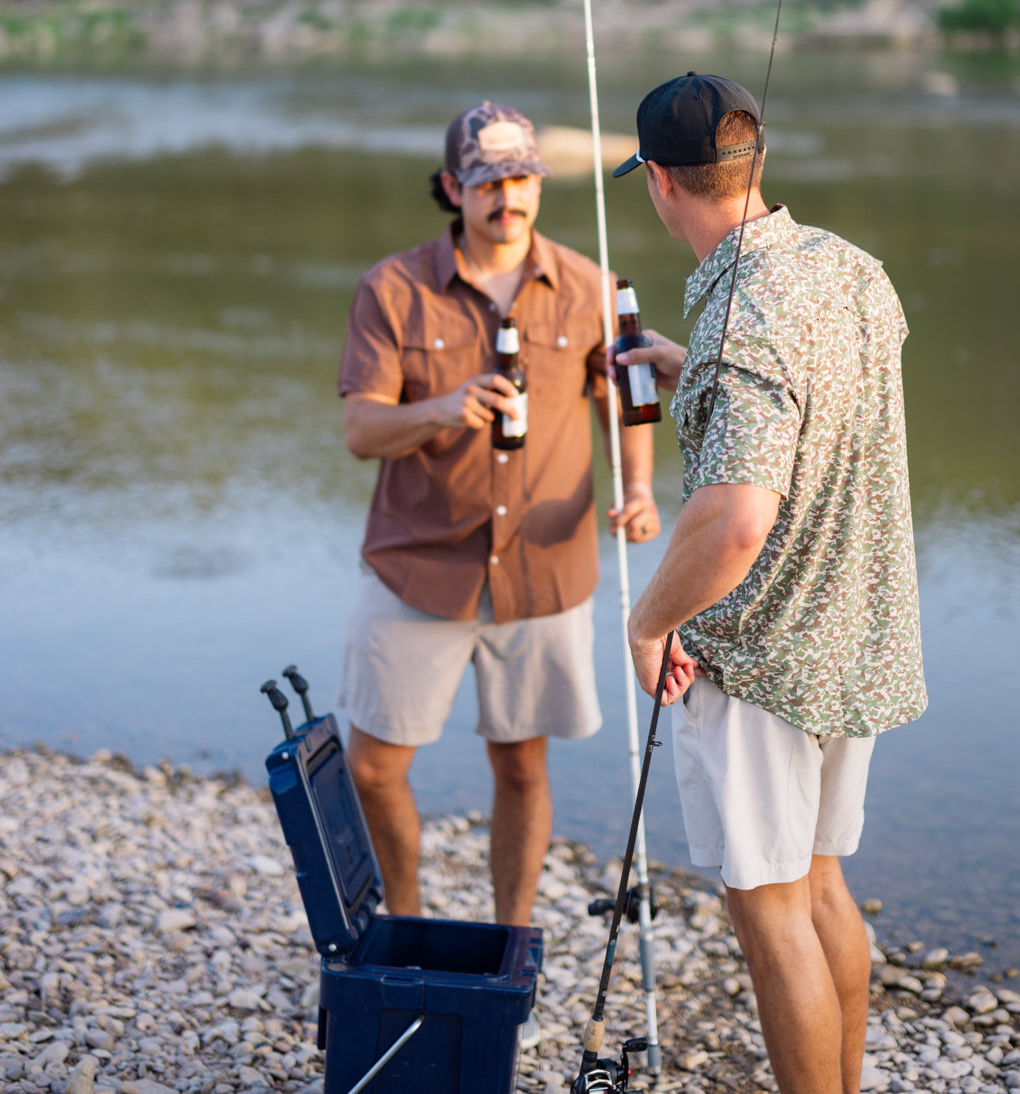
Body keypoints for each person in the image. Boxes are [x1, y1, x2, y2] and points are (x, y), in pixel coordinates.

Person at [610, 72, 926, 1094]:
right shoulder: (849, 266)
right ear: (754, 161)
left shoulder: (744, 317)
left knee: (771, 909)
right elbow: (813, 396)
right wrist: (685, 358)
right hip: (853, 639)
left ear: (660, 181)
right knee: (824, 885)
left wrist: (649, 621)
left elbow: (738, 517)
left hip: (761, 658)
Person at [337, 99, 659, 937]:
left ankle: (511, 937)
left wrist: (641, 489)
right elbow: (360, 430)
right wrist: (442, 408)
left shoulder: (598, 286)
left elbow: (631, 400)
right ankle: (405, 925)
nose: (507, 198)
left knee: (521, 764)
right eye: (488, 182)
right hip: (418, 563)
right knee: (374, 767)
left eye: (522, 179)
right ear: (453, 187)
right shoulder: (392, 287)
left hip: (543, 570)